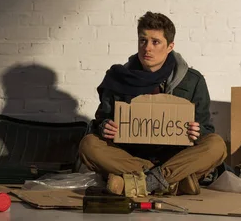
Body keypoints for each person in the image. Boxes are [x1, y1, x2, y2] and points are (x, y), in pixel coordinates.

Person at [79, 11, 227, 196]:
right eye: (143, 41)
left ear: (170, 46)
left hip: (176, 155)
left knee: (216, 145)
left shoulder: (192, 80)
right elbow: (101, 120)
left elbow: (206, 128)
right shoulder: (118, 77)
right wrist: (105, 127)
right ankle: (171, 183)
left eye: (155, 42)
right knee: (89, 145)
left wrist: (197, 132)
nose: (147, 48)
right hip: (131, 156)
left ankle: (139, 182)